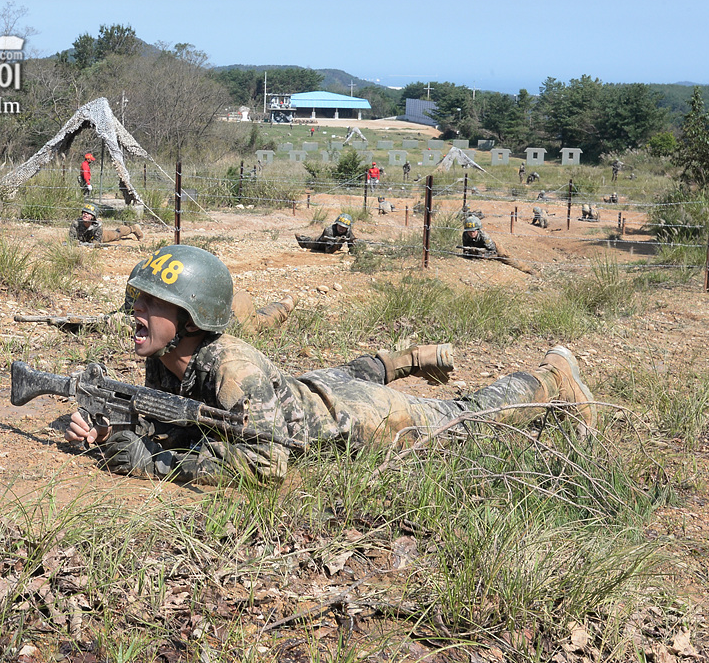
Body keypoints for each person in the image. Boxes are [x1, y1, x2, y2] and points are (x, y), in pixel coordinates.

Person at [65, 245, 596, 484]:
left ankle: (554, 378)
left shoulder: (232, 368)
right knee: (339, 374)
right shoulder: (167, 360)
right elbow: (178, 424)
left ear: (190, 317)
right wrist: (111, 429)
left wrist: (152, 464)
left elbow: (266, 466)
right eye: (139, 299)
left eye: (151, 303)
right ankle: (405, 358)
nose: (136, 311)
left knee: (463, 416)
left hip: (358, 421)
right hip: (306, 393)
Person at [70, 202, 144, 245]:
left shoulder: (97, 225)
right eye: (84, 212)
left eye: (88, 213)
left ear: (93, 216)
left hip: (101, 237)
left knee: (117, 234)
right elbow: (72, 240)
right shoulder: (76, 223)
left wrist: (86, 244)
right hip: (85, 240)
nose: (85, 214)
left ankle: (133, 228)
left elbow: (97, 242)